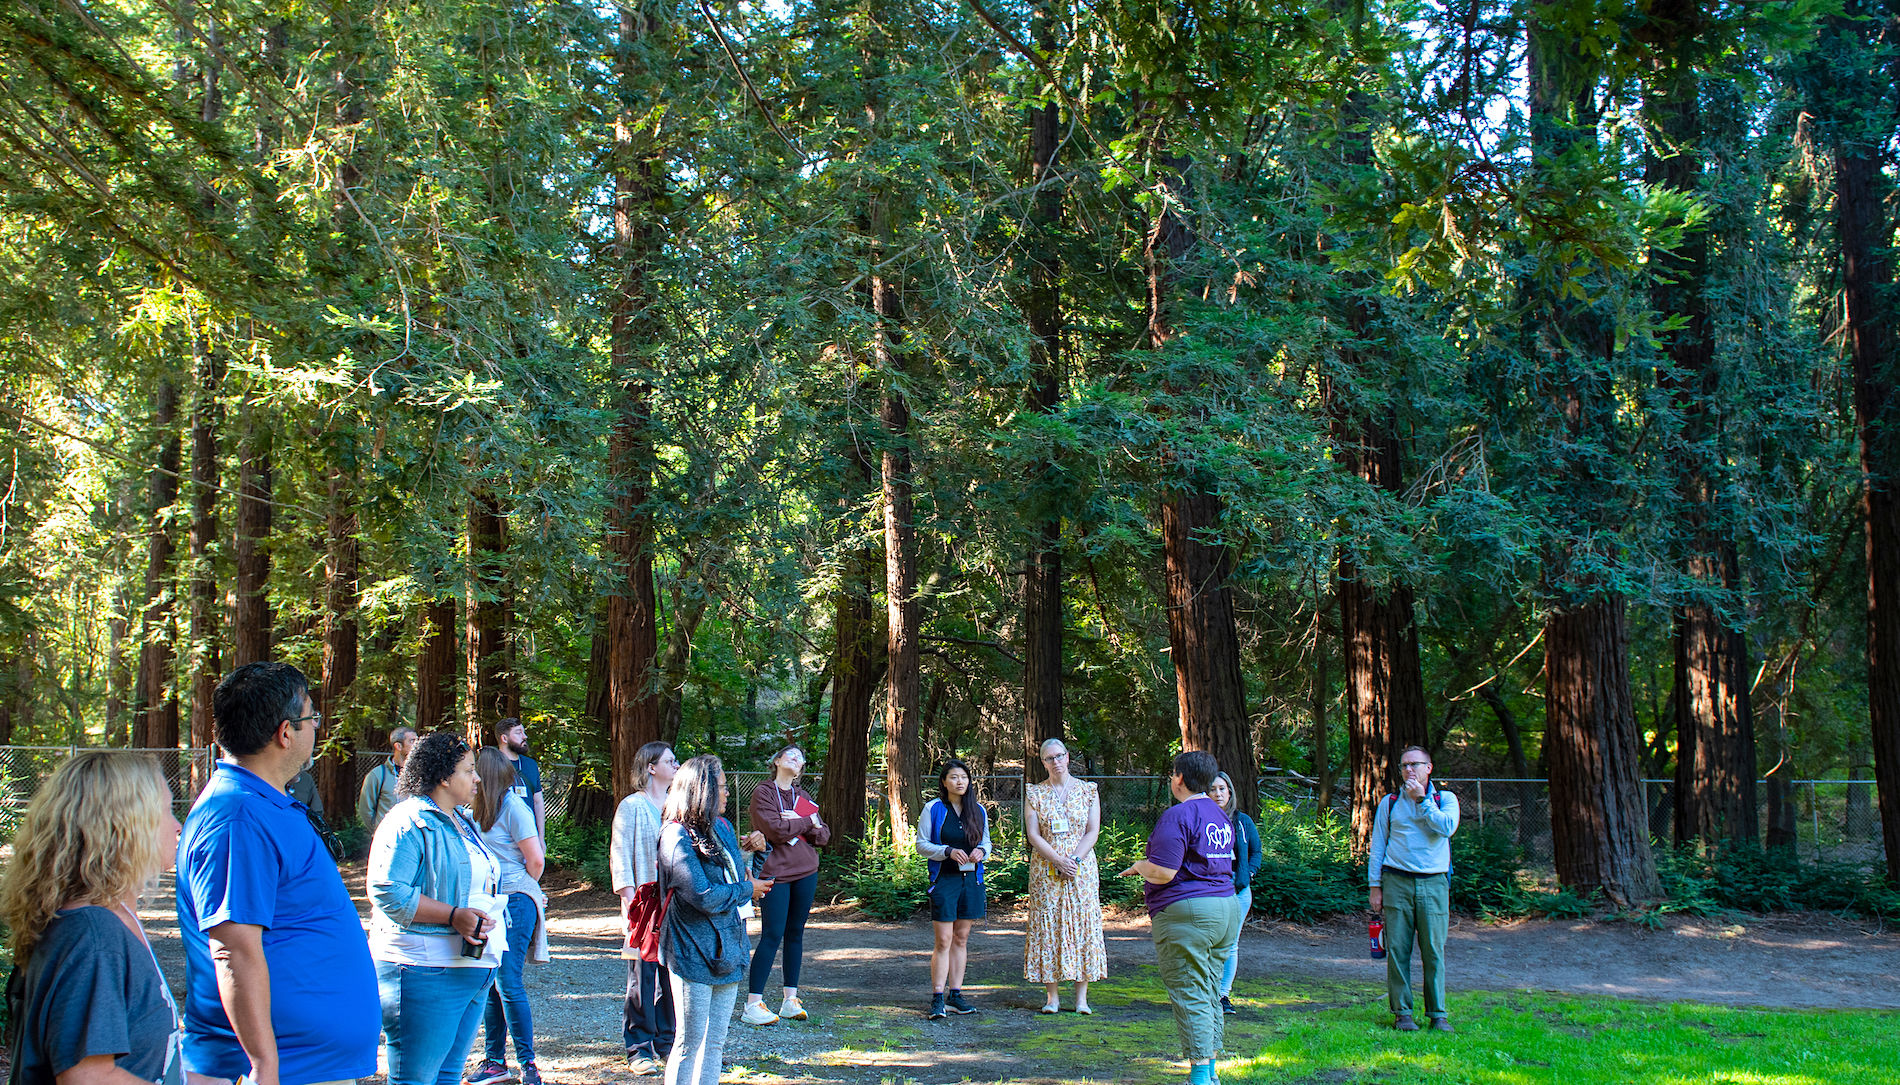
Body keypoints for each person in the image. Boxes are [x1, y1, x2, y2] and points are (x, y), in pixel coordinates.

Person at [175, 662, 380, 1085]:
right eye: (312, 718)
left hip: (306, 1063)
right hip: (283, 1067)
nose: (316, 729)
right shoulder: (238, 818)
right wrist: (264, 1065)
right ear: (286, 733)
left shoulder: (262, 804)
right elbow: (233, 950)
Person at [2, 753, 183, 1085]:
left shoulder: (103, 921)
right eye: (166, 810)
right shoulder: (93, 938)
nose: (177, 825)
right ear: (126, 827)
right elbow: (88, 1078)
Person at [367, 733, 507, 1085]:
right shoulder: (408, 820)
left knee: (446, 1077)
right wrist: (452, 916)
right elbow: (387, 890)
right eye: (468, 770)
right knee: (415, 1079)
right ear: (444, 778)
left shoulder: (462, 820)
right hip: (424, 969)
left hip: (471, 967)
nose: (477, 778)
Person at [1119, 751, 1239, 1085]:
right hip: (1225, 908)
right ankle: (1211, 1072)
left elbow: (1163, 872)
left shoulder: (1178, 815)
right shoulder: (1219, 815)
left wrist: (1140, 866)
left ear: (1180, 779)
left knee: (1191, 992)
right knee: (1210, 989)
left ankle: (1200, 1076)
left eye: (1173, 774)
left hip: (1189, 913)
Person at [656, 756, 773, 1085]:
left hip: (729, 947)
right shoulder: (674, 836)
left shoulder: (722, 827)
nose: (726, 793)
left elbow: (736, 877)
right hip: (692, 950)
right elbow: (704, 895)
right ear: (701, 791)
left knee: (716, 1042)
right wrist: (746, 888)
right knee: (689, 1043)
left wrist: (756, 854)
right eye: (720, 787)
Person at [468, 749, 550, 1085]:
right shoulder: (468, 809)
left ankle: (528, 1064)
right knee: (490, 983)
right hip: (487, 901)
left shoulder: (514, 806)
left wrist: (523, 886)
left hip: (515, 898)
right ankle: (495, 1062)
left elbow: (536, 860)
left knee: (507, 981)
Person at [1367, 745, 1460, 1033]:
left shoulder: (1445, 799)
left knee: (1433, 949)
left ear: (1428, 768)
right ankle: (1403, 1013)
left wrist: (1422, 801)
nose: (1409, 770)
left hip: (1433, 882)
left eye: (1415, 765)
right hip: (1397, 881)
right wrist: (1375, 886)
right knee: (1397, 950)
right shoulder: (1390, 802)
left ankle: (1437, 1014)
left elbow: (1446, 828)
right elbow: (1379, 844)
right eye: (1404, 765)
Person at [743, 743, 832, 1026]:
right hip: (775, 874)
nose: (797, 759)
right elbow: (776, 831)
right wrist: (807, 823)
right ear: (778, 759)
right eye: (791, 755)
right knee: (772, 934)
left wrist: (802, 821)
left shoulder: (802, 795)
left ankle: (790, 1000)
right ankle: (753, 1003)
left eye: (801, 758)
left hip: (807, 870)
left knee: (796, 933)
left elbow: (824, 835)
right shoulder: (764, 792)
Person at [611, 742, 680, 1076]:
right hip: (644, 907)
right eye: (670, 760)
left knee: (672, 976)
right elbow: (620, 857)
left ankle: (668, 1043)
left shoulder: (676, 807)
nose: (677, 764)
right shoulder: (632, 806)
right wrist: (629, 903)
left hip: (675, 906)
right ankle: (639, 1047)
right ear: (651, 767)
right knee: (641, 976)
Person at [1023, 737, 1105, 1015]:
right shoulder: (1035, 794)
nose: (1055, 762)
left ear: (1068, 757)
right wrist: (1057, 859)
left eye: (1059, 756)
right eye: (1049, 758)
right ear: (1043, 763)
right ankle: (1052, 997)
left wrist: (1074, 860)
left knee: (1082, 923)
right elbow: (1033, 834)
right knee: (1049, 925)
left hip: (1081, 869)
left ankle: (1081, 998)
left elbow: (1092, 831)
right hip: (1046, 868)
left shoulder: (1089, 791)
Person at [914, 759, 991, 1021]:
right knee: (944, 940)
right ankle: (937, 997)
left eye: (964, 777)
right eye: (954, 777)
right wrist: (947, 851)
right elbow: (921, 844)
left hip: (971, 881)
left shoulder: (978, 810)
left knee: (961, 938)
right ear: (944, 782)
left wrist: (982, 851)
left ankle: (955, 994)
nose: (960, 782)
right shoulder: (933, 809)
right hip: (944, 880)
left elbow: (987, 842)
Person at [1209, 771, 1261, 1015]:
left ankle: (1222, 995)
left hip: (1238, 890)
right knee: (1208, 942)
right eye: (1213, 789)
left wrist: (1247, 874)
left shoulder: (1242, 822)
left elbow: (1256, 853)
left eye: (1222, 789)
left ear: (1230, 792)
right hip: (1208, 890)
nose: (1218, 794)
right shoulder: (1201, 819)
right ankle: (1204, 993)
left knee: (1230, 944)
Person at [361, 726, 420, 833]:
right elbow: (366, 810)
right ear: (398, 746)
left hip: (415, 840)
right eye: (412, 741)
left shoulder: (421, 774)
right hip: (387, 841)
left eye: (417, 740)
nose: (417, 745)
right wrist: (379, 832)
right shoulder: (378, 775)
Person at [495, 717, 545, 836]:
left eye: (523, 732)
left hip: (528, 836)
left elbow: (538, 802)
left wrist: (541, 837)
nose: (524, 736)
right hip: (500, 837)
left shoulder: (530, 765)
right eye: (518, 733)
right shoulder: (491, 764)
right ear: (504, 738)